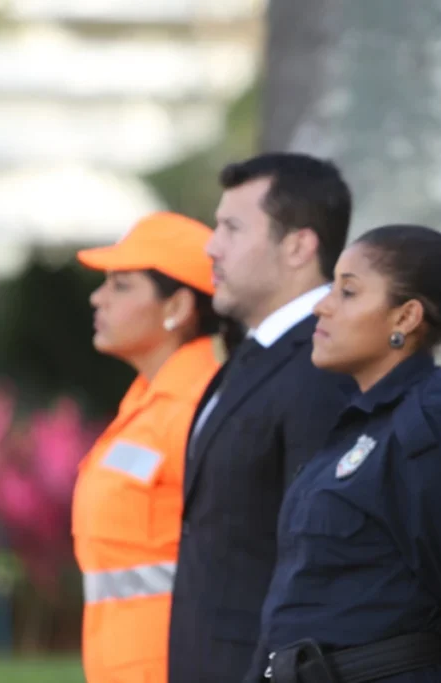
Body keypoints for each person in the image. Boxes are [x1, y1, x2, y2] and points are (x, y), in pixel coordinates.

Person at [245, 225, 441, 683]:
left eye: (348, 292)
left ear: (405, 318)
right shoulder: (360, 422)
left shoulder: (430, 424)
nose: (323, 304)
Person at [168, 153, 355, 683]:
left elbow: (316, 559)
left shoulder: (324, 365)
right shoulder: (257, 354)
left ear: (298, 244)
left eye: (231, 227)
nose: (211, 246)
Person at [72, 211, 224, 683]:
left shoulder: (202, 409)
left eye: (121, 285)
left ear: (177, 305)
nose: (97, 298)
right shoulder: (146, 402)